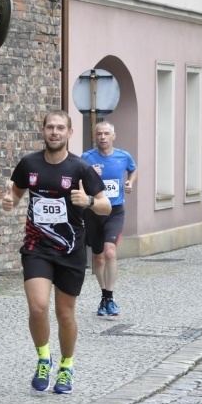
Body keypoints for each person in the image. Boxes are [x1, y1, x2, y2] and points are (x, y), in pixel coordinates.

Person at [1, 110, 111, 394]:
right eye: (50, 127)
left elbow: (106, 206)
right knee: (38, 307)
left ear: (69, 133)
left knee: (65, 314)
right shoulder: (29, 163)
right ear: (43, 130)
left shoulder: (80, 168)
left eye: (61, 127)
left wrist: (88, 201)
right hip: (37, 247)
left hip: (70, 250)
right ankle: (43, 359)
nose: (55, 132)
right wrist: (9, 201)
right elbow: (16, 193)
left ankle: (66, 366)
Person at [81, 121, 138, 317]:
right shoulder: (86, 158)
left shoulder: (123, 156)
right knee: (98, 258)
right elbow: (77, 180)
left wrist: (130, 182)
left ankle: (109, 297)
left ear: (113, 136)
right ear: (95, 136)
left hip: (115, 211)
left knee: (110, 252)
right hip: (94, 211)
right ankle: (103, 294)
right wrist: (89, 174)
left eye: (106, 133)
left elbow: (133, 169)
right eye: (99, 134)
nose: (103, 137)